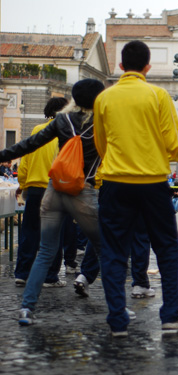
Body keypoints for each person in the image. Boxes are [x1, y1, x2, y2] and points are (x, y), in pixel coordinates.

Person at [93, 40, 178, 335]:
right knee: (166, 246)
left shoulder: (105, 98)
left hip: (115, 181)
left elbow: (101, 143)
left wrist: (116, 161)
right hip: (152, 183)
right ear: (148, 68)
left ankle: (117, 320)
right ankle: (170, 314)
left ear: (121, 66)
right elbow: (170, 140)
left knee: (113, 251)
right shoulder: (158, 95)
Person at [0, 79, 106, 326]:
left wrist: (2, 156)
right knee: (106, 249)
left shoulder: (62, 121)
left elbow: (27, 145)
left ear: (74, 99)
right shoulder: (103, 124)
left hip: (54, 191)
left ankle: (27, 309)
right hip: (84, 192)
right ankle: (118, 310)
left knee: (46, 251)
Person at [14, 97, 69, 288]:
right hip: (56, 189)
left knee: (29, 232)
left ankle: (22, 273)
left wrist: (22, 184)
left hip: (35, 188)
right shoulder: (67, 132)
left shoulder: (37, 130)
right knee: (54, 234)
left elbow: (25, 162)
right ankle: (50, 277)